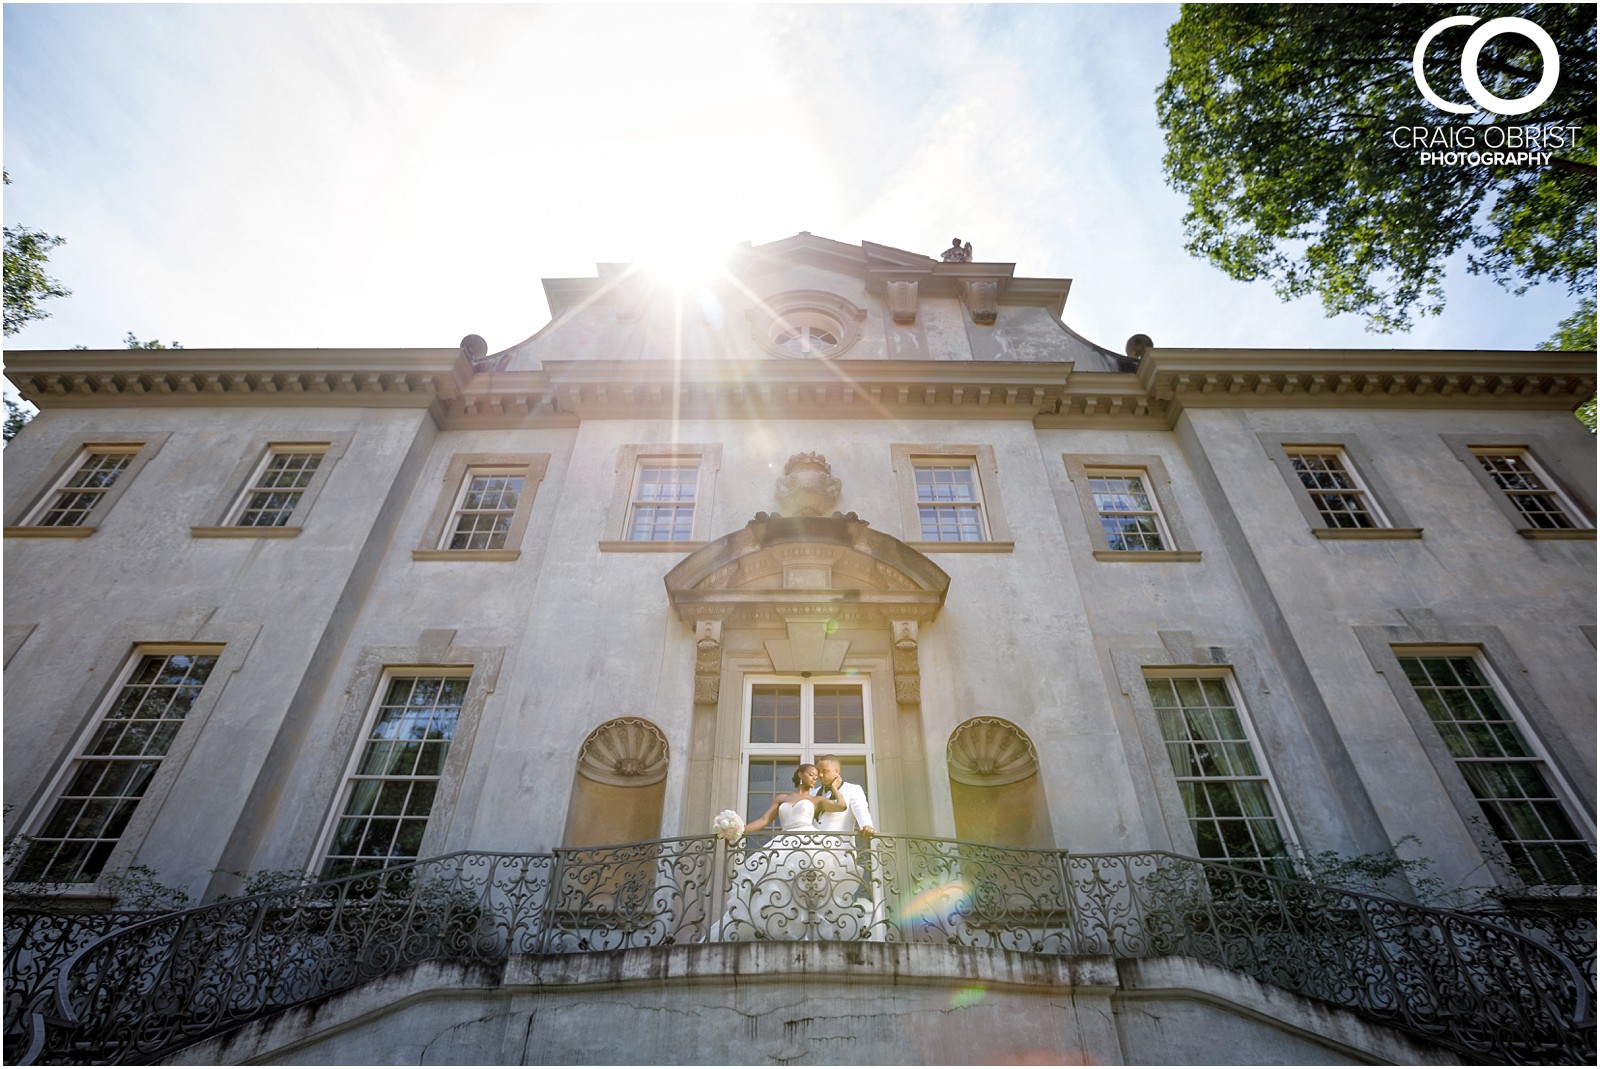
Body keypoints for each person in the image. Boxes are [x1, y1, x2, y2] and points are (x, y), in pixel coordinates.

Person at [742, 763, 846, 834]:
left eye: (816, 777)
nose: (815, 778)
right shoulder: (781, 798)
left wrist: (834, 788)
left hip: (807, 843)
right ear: (800, 775)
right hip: (784, 843)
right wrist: (739, 830)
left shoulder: (817, 800)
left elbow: (842, 806)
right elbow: (764, 820)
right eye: (811, 774)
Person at [813, 756, 875, 836]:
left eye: (825, 771)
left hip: (841, 846)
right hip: (814, 847)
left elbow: (861, 810)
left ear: (837, 771)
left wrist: (867, 825)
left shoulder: (853, 789)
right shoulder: (813, 793)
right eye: (819, 771)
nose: (820, 775)